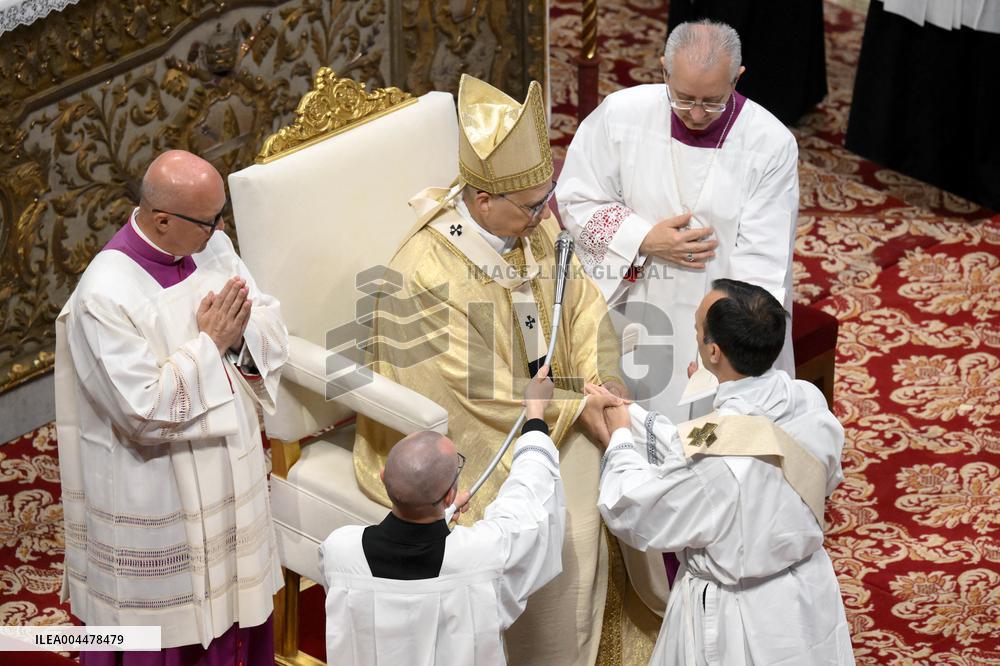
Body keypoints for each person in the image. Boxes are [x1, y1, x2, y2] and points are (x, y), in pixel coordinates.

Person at [353, 73, 656, 664]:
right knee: (583, 492)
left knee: (627, 447)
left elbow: (584, 303)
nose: (546, 217)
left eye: (547, 199)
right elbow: (469, 389)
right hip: (482, 431)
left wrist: (600, 379)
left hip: (552, 399)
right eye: (533, 205)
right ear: (482, 200)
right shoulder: (426, 274)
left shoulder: (524, 224)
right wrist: (576, 406)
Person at [55, 150, 288, 663]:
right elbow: (141, 411)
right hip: (159, 487)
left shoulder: (213, 247)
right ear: (163, 219)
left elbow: (266, 318)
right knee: (167, 632)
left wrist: (237, 336)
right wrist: (209, 345)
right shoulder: (105, 295)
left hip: (230, 470)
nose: (220, 228)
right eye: (209, 220)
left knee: (235, 606)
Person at [589, 279, 854, 665]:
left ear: (713, 352)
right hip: (806, 597)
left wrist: (619, 441)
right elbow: (732, 439)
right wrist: (635, 418)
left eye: (697, 329)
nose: (695, 334)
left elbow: (635, 511)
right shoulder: (806, 399)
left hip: (739, 619)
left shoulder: (713, 461)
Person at [557, 19, 798, 425]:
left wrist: (721, 345)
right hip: (636, 303)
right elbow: (576, 198)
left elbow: (762, 263)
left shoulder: (770, 145)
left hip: (718, 323)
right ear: (664, 71)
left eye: (714, 101)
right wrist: (642, 238)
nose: (698, 114)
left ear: (737, 78)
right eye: (684, 99)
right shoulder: (622, 114)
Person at [322, 366, 568, 664]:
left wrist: (443, 517)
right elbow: (529, 502)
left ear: (383, 476)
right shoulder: (482, 555)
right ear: (450, 495)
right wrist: (536, 414)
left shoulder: (339, 551)